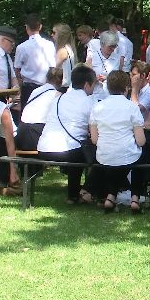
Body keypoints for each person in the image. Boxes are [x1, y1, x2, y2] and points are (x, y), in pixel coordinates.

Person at [37, 64, 98, 204]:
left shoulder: (58, 98)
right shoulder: (90, 102)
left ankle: (75, 194)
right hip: (69, 151)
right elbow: (95, 131)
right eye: (94, 84)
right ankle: (84, 192)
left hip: (44, 149)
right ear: (87, 85)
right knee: (98, 153)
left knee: (76, 148)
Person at [88, 70, 147, 213]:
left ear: (108, 87)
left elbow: (94, 140)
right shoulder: (132, 107)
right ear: (126, 88)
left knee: (119, 160)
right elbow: (140, 141)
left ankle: (111, 196)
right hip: (126, 154)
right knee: (141, 156)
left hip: (104, 154)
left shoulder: (97, 107)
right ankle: (135, 198)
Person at [16, 66, 64, 153]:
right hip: (35, 134)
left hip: (21, 133)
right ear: (61, 81)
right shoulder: (57, 95)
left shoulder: (35, 91)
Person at [14, 13, 56, 98]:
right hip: (46, 86)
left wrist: (20, 86)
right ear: (40, 27)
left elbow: (17, 70)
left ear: (26, 27)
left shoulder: (21, 47)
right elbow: (53, 68)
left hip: (28, 88)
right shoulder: (49, 45)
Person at [86, 29, 123, 101]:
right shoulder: (92, 58)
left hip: (111, 97)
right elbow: (86, 79)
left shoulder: (118, 58)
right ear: (102, 44)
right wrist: (94, 79)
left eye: (115, 46)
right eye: (110, 46)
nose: (113, 49)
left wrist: (108, 78)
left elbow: (120, 79)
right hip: (95, 96)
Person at [53, 24, 77, 89]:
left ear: (60, 35)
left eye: (54, 33)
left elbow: (54, 71)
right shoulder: (69, 48)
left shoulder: (62, 51)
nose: (52, 35)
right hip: (70, 85)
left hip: (63, 87)